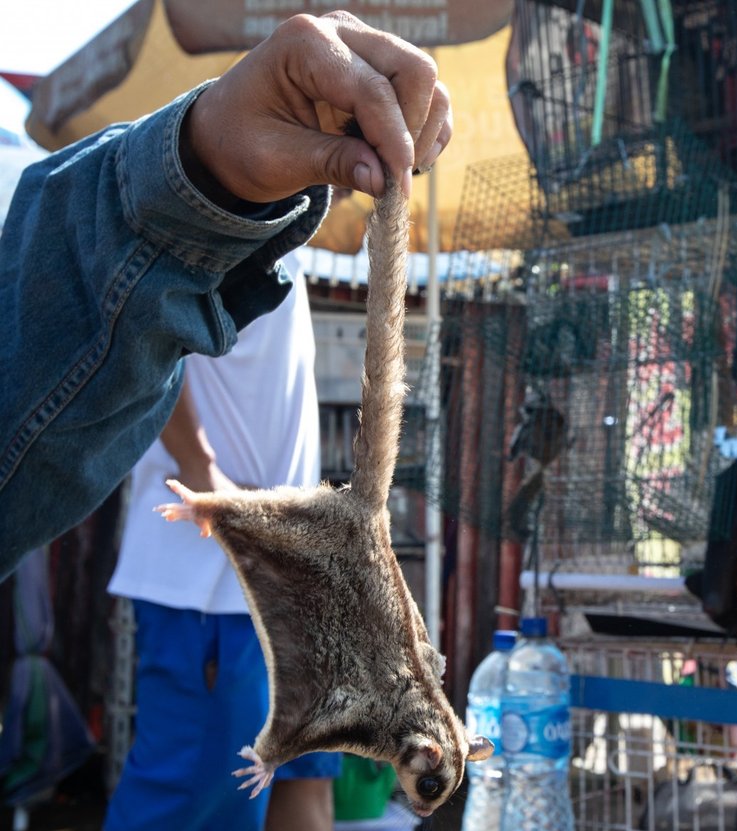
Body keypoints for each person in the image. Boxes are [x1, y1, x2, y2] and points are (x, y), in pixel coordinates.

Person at [0, 11, 452, 578]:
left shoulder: (280, 256)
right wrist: (202, 468)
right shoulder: (230, 257)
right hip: (189, 538)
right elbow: (147, 341)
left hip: (262, 547)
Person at [94, 251, 340, 831]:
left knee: (300, 783)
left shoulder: (292, 204)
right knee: (175, 807)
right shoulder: (206, 180)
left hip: (286, 572)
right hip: (209, 578)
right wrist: (202, 472)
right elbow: (143, 329)